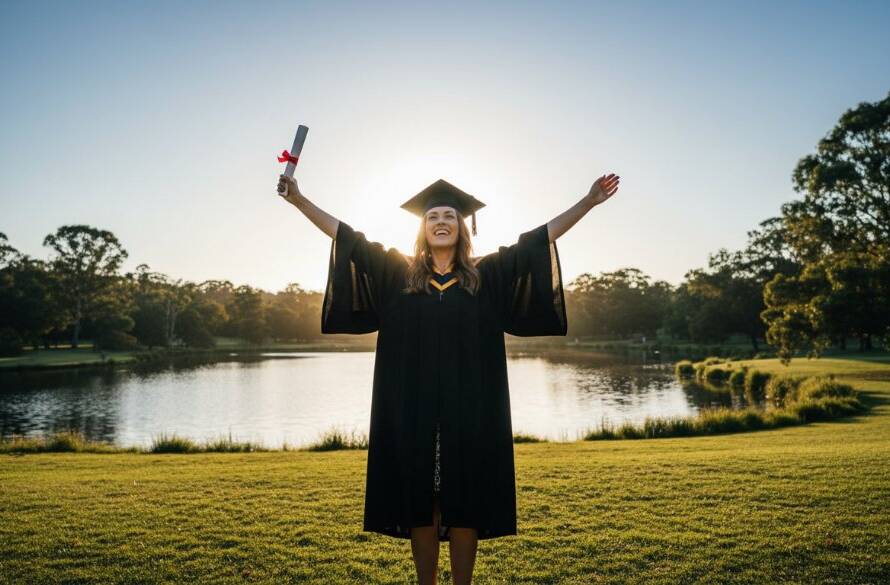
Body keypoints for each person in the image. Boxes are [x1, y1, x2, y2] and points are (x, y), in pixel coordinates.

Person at [276, 173, 620, 584]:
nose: (441, 221)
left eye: (450, 217)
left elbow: (538, 240)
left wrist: (588, 201)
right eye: (433, 216)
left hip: (471, 411)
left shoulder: (487, 276)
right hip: (410, 410)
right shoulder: (396, 275)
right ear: (422, 228)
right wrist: (299, 200)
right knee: (421, 503)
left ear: (462, 228)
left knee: (465, 502)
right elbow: (347, 236)